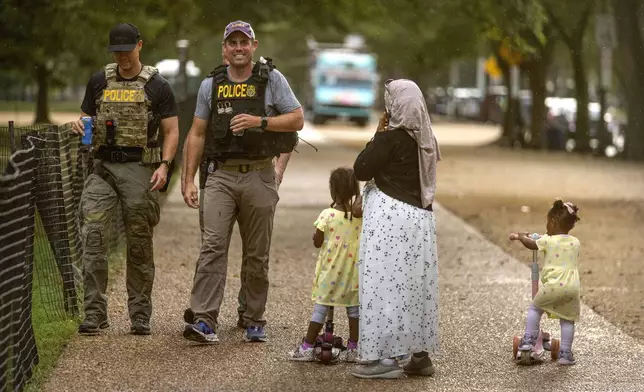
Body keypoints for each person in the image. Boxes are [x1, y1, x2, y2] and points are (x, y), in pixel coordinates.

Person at [181, 20, 303, 344]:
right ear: (224, 49)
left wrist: (260, 121)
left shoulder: (271, 80)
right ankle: (204, 320)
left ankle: (252, 318)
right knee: (212, 246)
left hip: (260, 173)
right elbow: (195, 133)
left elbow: (297, 118)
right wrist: (188, 179)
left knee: (257, 253)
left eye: (243, 42)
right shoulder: (211, 84)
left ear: (254, 46)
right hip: (219, 175)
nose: (238, 47)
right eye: (232, 42)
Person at [71, 22, 179, 335]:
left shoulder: (158, 86)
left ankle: (140, 315)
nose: (122, 57)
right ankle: (94, 313)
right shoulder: (98, 81)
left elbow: (172, 131)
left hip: (140, 168)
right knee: (92, 236)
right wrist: (83, 125)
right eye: (117, 52)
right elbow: (87, 117)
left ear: (140, 46)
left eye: (127, 50)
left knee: (139, 244)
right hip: (103, 168)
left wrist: (165, 165)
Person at [350, 79, 441, 379]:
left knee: (384, 287)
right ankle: (419, 355)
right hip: (420, 222)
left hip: (391, 223)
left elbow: (361, 168)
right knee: (414, 287)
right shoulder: (426, 140)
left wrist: (377, 134)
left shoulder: (391, 139)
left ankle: (384, 359)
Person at [288, 167, 363, 362]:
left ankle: (307, 346)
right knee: (353, 309)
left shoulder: (326, 215)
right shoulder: (359, 218)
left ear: (333, 191)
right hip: (352, 273)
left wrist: (317, 236)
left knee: (321, 308)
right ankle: (354, 348)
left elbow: (318, 242)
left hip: (329, 273)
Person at [509, 199, 581, 366]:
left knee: (535, 308)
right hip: (572, 288)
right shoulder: (575, 242)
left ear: (553, 222)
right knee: (567, 319)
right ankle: (565, 354)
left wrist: (521, 237)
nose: (546, 227)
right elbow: (560, 242)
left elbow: (532, 244)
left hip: (554, 286)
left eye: (547, 223)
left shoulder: (547, 241)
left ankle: (528, 341)